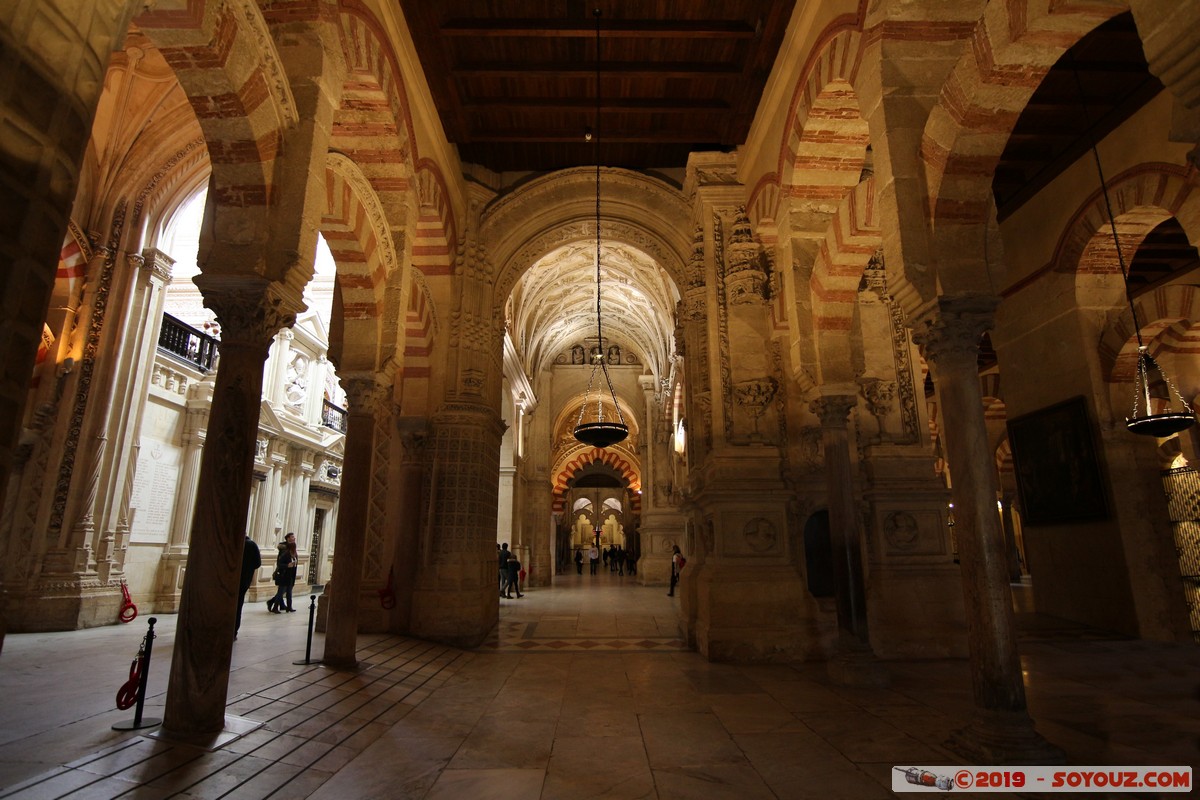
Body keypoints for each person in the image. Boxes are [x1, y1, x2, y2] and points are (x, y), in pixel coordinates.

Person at [235, 534, 261, 638]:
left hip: (228, 580)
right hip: (244, 581)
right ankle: (234, 631)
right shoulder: (252, 545)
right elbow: (257, 563)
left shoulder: (233, 544)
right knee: (238, 606)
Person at [267, 532, 298, 613]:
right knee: (282, 591)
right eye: (292, 537)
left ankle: (287, 606)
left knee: (288, 591)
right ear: (288, 538)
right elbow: (280, 562)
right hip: (284, 574)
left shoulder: (294, 554)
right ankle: (274, 605)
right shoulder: (285, 551)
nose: (294, 539)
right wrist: (287, 565)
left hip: (291, 574)